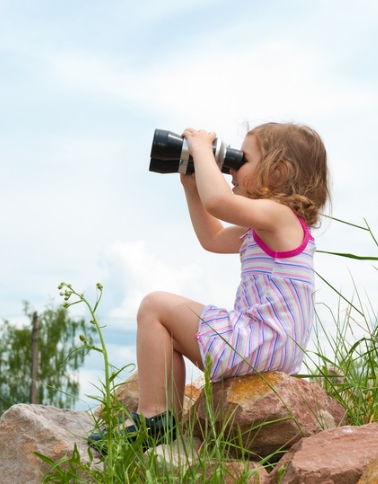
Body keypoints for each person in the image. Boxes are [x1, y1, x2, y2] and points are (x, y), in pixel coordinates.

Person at [89, 122, 330, 454]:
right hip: (271, 343)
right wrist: (192, 189)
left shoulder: (279, 216)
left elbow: (217, 201)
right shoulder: (270, 227)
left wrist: (202, 149)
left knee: (154, 306)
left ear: (277, 172)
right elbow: (213, 238)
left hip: (259, 337)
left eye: (241, 159)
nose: (231, 166)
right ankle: (161, 417)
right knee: (166, 329)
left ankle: (155, 417)